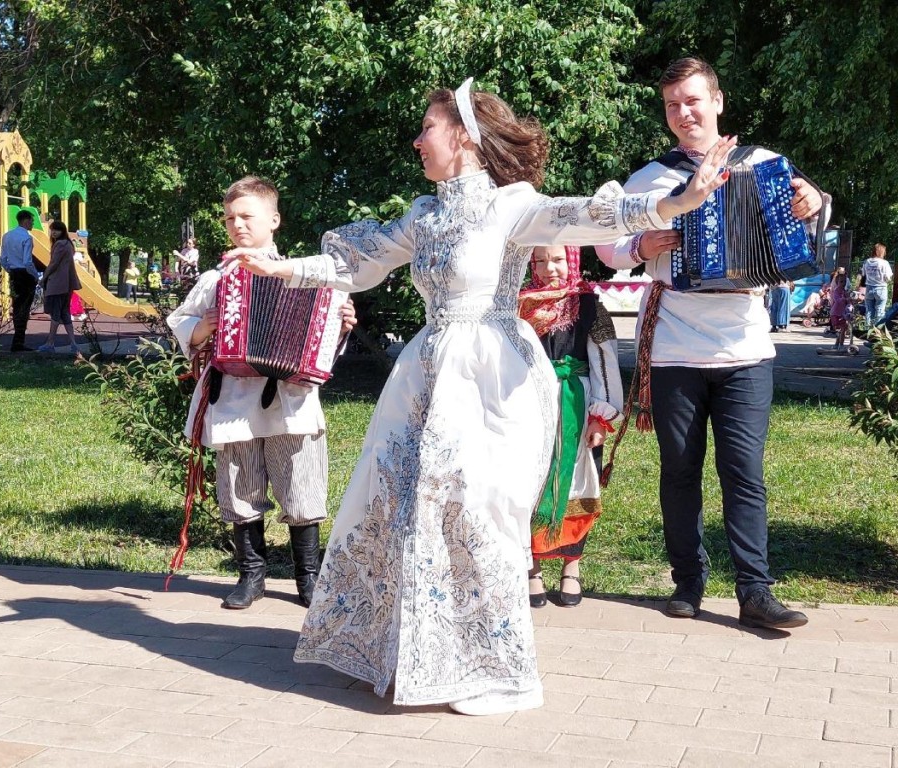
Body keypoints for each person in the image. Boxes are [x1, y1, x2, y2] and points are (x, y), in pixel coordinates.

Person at [223, 79, 734, 715]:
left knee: (477, 512)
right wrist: (281, 268)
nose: (417, 140)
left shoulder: (510, 205)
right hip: (426, 373)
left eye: (427, 129)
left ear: (463, 136)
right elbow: (361, 261)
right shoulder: (425, 214)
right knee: (406, 505)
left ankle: (488, 664)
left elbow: (584, 215)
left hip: (493, 379)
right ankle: (411, 652)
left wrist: (680, 200)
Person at [595, 57, 823, 630]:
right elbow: (608, 246)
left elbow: (805, 232)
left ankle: (755, 591)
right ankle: (688, 582)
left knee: (744, 472)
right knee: (679, 469)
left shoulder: (765, 165)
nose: (683, 113)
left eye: (693, 100)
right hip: (675, 347)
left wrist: (813, 203)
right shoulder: (652, 178)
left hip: (746, 345)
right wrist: (644, 244)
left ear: (717, 101)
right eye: (673, 104)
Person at [167, 176, 357, 613]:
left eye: (247, 216)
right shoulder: (216, 279)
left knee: (301, 486)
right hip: (233, 398)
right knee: (239, 485)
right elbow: (181, 323)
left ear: (273, 219)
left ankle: (307, 577)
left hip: (291, 399)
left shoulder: (306, 274)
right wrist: (206, 326)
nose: (237, 225)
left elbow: (326, 343)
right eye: (230, 217)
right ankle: (251, 574)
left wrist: (341, 326)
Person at [519, 244, 622, 609]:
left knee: (580, 480)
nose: (550, 268)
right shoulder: (518, 306)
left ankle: (571, 568)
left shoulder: (589, 305)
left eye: (558, 259)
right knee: (531, 482)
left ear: (572, 259)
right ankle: (530, 568)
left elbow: (605, 360)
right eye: (541, 260)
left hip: (578, 404)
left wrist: (601, 415)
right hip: (529, 405)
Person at [37, 220, 82, 357]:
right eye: (52, 230)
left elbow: (54, 263)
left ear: (62, 231)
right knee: (65, 313)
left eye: (57, 230)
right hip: (67, 283)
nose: (54, 232)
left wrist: (44, 278)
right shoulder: (69, 244)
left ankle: (50, 343)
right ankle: (73, 343)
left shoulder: (60, 244)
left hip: (58, 283)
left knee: (55, 313)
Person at [0, 210, 39, 352]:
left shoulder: (7, 236)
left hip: (15, 273)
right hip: (26, 274)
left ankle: (17, 339)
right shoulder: (27, 238)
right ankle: (19, 341)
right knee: (25, 307)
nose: (32, 224)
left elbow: (3, 259)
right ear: (26, 221)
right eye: (32, 221)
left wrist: (10, 270)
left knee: (17, 306)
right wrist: (36, 276)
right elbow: (28, 261)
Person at [860, 244, 893, 330]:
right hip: (881, 288)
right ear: (882, 252)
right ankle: (877, 332)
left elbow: (863, 274)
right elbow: (888, 278)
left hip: (869, 288)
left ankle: (868, 332)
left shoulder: (867, 261)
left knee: (869, 311)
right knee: (880, 311)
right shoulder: (884, 263)